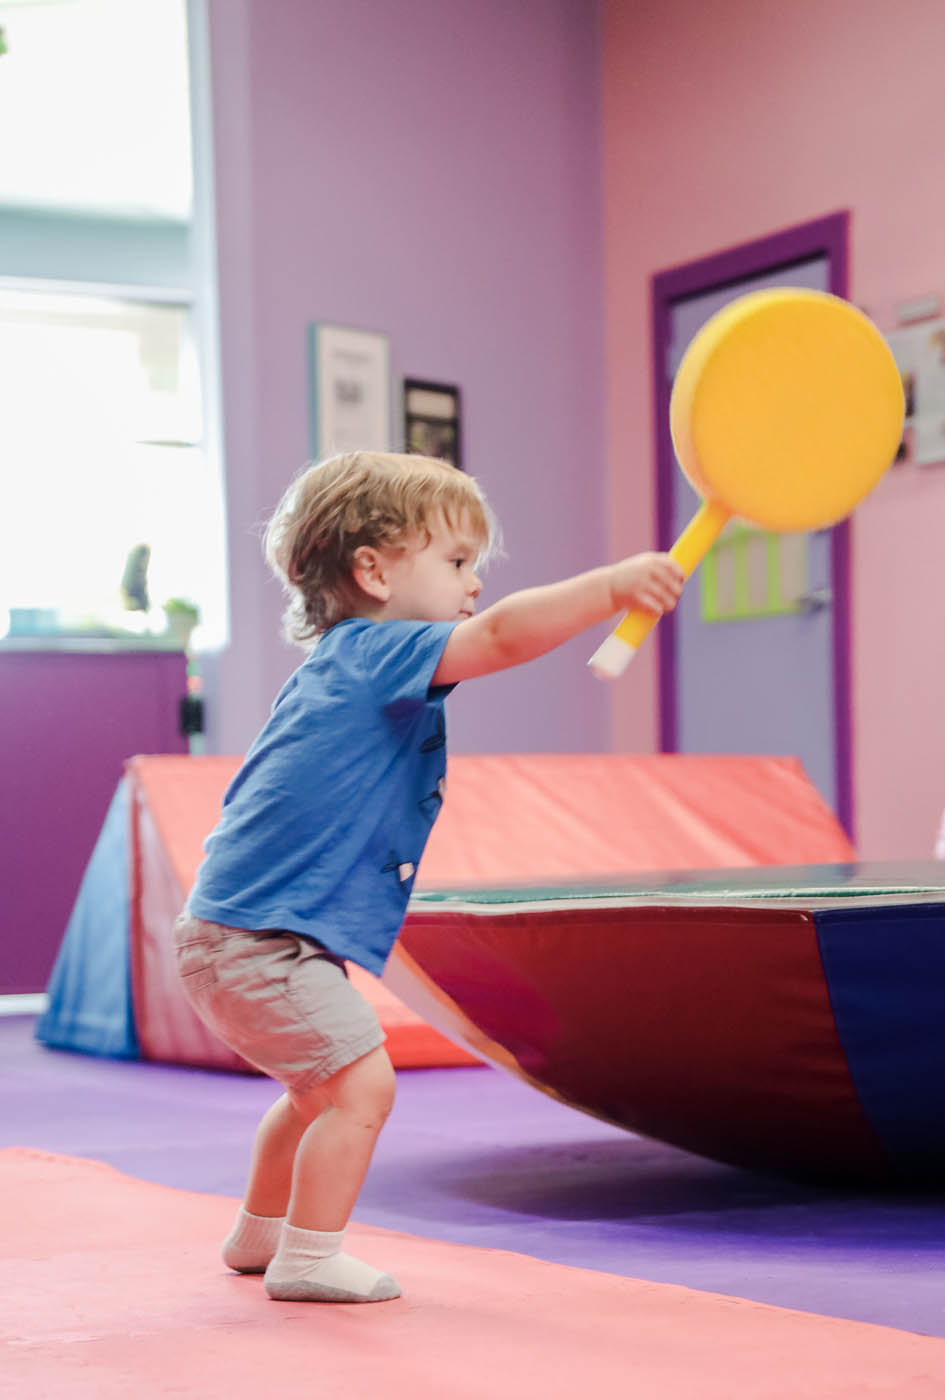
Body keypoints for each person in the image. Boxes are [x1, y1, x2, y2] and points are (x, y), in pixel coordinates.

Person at [174, 450, 684, 1304]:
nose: (474, 583)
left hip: (240, 933)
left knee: (315, 1089)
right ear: (372, 571)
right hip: (255, 940)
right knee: (361, 1084)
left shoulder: (346, 665)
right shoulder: (375, 654)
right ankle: (308, 1254)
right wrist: (611, 589)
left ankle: (260, 1237)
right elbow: (502, 638)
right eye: (455, 562)